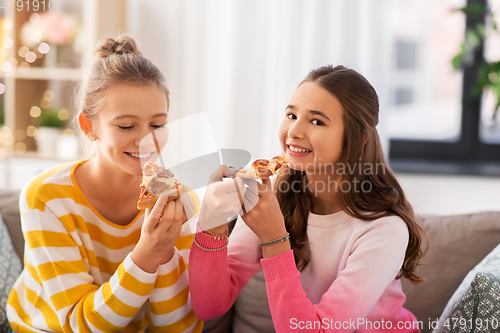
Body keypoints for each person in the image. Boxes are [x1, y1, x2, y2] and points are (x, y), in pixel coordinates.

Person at [189, 65, 428, 332]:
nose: (294, 131)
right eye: (291, 115)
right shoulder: (273, 199)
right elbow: (208, 307)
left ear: (359, 137)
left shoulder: (384, 230)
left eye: (316, 121)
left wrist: (274, 240)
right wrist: (211, 226)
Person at [7, 36, 202, 333]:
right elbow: (78, 324)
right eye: (126, 126)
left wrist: (165, 253)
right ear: (89, 127)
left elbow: (179, 328)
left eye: (158, 124)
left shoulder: (181, 201)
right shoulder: (46, 199)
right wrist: (147, 251)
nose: (146, 140)